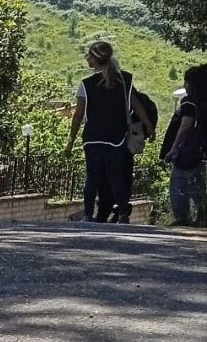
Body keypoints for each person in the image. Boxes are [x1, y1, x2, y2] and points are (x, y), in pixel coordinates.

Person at [65, 41, 154, 224]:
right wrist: (149, 126)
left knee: (93, 177)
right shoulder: (124, 81)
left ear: (95, 59)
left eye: (89, 56)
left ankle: (88, 214)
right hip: (116, 137)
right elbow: (136, 106)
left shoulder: (86, 84)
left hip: (93, 137)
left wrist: (71, 140)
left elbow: (78, 115)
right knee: (116, 176)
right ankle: (123, 214)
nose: (87, 59)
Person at [162, 64, 207, 227]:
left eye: (186, 81)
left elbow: (186, 125)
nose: (184, 85)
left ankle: (182, 217)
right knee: (198, 184)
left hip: (188, 151)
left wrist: (174, 148)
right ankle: (201, 216)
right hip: (201, 150)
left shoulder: (190, 102)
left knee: (179, 183)